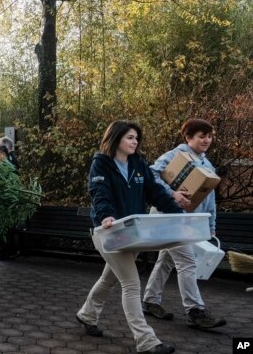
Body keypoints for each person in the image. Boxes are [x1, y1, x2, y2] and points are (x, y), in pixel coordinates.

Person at [76, 120, 181, 354]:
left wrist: (178, 214)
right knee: (131, 284)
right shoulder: (101, 164)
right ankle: (147, 341)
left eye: (136, 138)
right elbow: (99, 192)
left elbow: (156, 192)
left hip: (133, 233)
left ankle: (87, 314)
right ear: (116, 138)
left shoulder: (138, 164)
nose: (135, 142)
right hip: (109, 231)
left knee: (109, 279)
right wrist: (106, 216)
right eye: (130, 137)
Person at [142, 119, 226, 329]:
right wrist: (172, 193)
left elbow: (209, 198)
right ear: (188, 138)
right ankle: (195, 311)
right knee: (187, 261)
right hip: (168, 217)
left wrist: (211, 223)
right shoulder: (174, 156)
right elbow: (150, 175)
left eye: (209, 136)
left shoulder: (206, 164)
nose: (206, 140)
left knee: (166, 261)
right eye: (201, 136)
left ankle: (150, 301)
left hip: (188, 221)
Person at [0, 145, 20, 261]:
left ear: (2, 154)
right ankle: (7, 251)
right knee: (6, 228)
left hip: (6, 202)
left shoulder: (7, 167)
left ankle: (3, 253)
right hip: (6, 202)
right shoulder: (6, 166)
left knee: (4, 227)